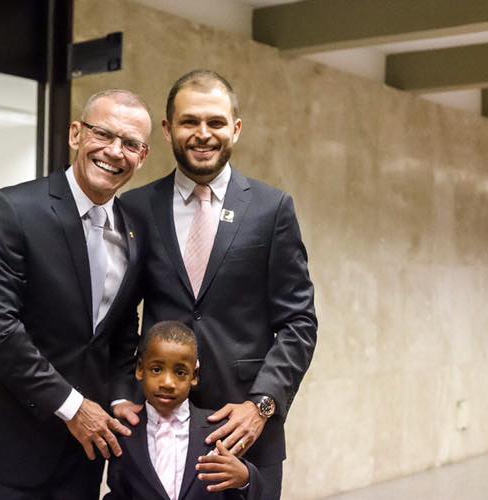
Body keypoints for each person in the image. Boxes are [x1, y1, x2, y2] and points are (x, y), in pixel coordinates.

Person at [116, 70, 318, 499]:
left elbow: (299, 322)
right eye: (189, 122)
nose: (202, 134)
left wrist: (262, 406)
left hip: (243, 427)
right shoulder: (135, 208)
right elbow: (116, 319)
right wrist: (122, 394)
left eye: (216, 122)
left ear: (236, 129)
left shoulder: (272, 209)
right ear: (168, 128)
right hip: (154, 427)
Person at [0, 89, 152, 500]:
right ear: (76, 134)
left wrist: (119, 396)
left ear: (142, 157)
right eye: (104, 134)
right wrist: (73, 407)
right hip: (6, 453)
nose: (115, 152)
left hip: (83, 454)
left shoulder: (135, 229)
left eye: (130, 144)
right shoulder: (9, 210)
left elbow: (119, 331)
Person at [105, 321, 262, 500]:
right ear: (140, 369)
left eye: (180, 373)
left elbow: (240, 491)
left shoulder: (219, 430)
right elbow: (117, 493)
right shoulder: (125, 434)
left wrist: (245, 478)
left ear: (194, 376)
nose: (168, 383)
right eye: (157, 369)